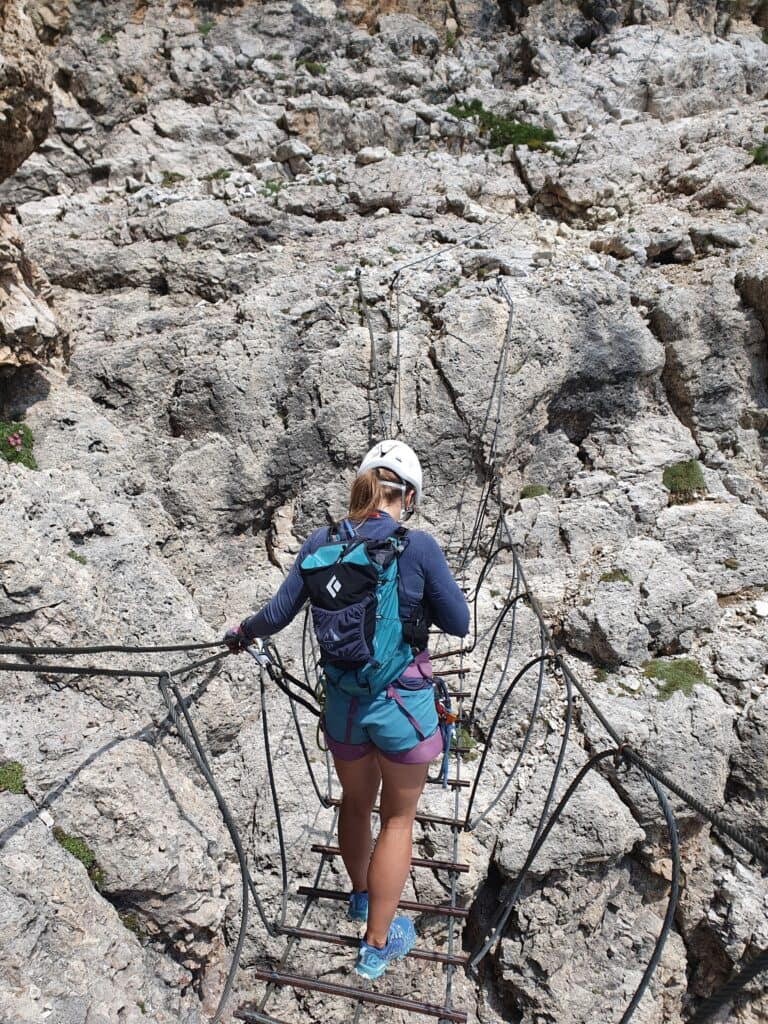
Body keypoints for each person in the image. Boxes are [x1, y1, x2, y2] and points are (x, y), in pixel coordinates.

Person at [225, 440, 469, 979]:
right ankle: (377, 943)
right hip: (401, 705)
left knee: (355, 805)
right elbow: (459, 623)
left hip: (343, 709)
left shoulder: (321, 540)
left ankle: (360, 896)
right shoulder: (418, 546)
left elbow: (277, 613)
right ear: (406, 496)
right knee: (399, 819)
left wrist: (242, 633)